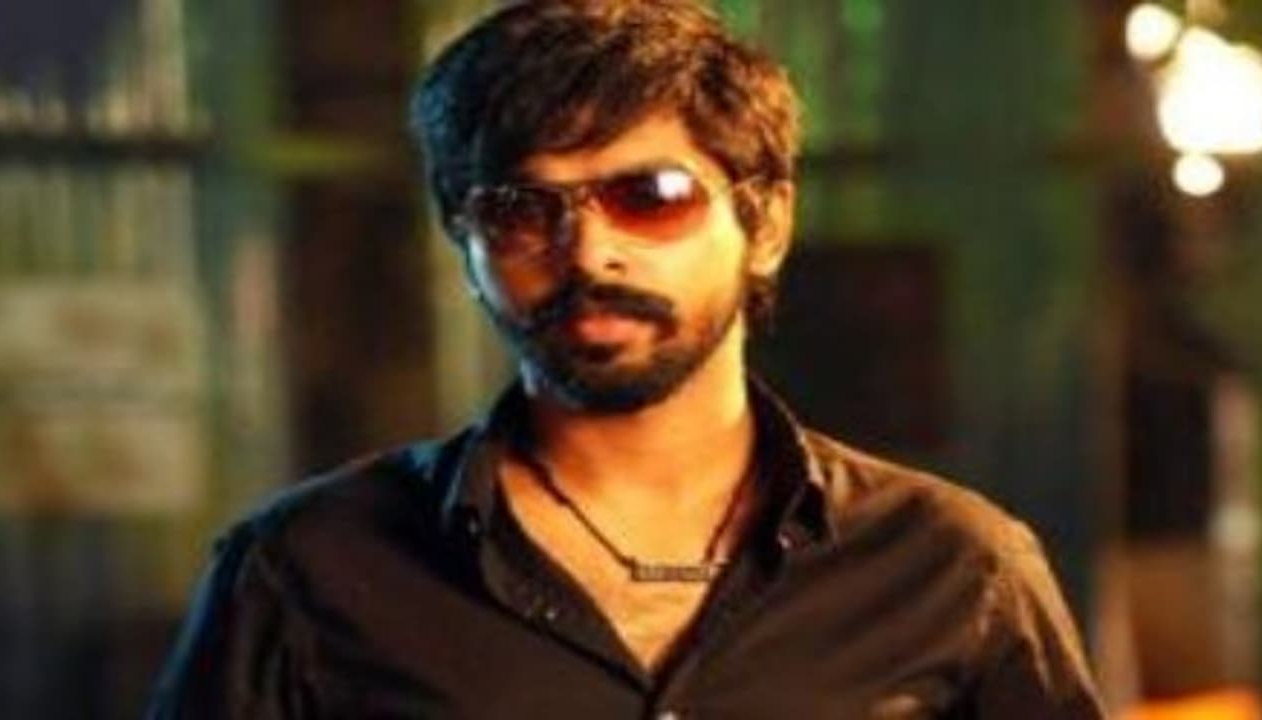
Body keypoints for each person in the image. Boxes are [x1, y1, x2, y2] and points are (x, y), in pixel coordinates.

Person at [148, 1, 1105, 717]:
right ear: (464, 242)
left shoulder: (953, 567)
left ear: (765, 222)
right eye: (520, 209)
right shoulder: (307, 570)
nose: (589, 253)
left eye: (650, 196)